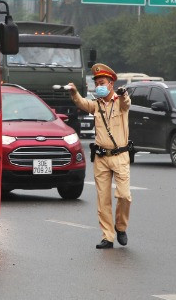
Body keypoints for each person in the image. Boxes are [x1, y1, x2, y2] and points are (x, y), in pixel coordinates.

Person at [67, 63, 132, 249]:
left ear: (111, 84)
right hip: (102, 157)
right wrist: (74, 93)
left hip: (120, 156)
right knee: (103, 199)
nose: (99, 87)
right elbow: (81, 103)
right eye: (96, 84)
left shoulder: (120, 102)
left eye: (102, 83)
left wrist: (124, 94)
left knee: (124, 196)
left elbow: (126, 103)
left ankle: (120, 227)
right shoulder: (96, 105)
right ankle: (107, 236)